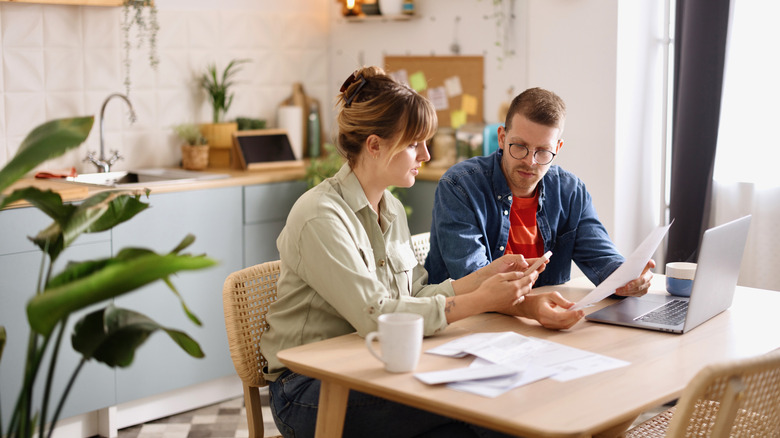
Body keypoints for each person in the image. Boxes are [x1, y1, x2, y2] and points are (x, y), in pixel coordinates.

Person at [260, 67, 546, 438]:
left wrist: (481, 279)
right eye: (414, 143)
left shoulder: (391, 208)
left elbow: (411, 297)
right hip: (308, 388)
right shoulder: (320, 216)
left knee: (480, 417)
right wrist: (480, 301)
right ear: (375, 145)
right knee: (480, 412)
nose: (425, 154)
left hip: (371, 363)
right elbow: (377, 316)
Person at [425, 87, 655, 330]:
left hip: (537, 325)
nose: (530, 161)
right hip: (463, 325)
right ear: (502, 137)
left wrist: (629, 279)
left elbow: (603, 260)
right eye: (519, 146)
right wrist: (531, 307)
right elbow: (473, 280)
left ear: (558, 147)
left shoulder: (570, 191)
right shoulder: (460, 185)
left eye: (543, 151)